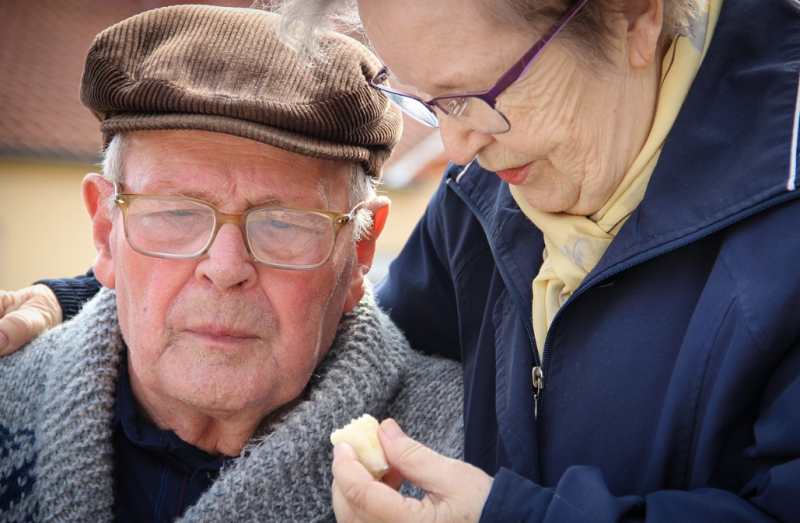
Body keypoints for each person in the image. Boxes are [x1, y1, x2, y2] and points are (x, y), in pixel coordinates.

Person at [2, 0, 800, 521]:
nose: (454, 151)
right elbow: (328, 310)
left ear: (633, 16)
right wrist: (79, 305)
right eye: (426, 102)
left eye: (478, 92)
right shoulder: (485, 196)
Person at [0, 5, 466, 522]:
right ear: (107, 233)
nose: (224, 268)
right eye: (177, 212)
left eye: (284, 223)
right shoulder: (7, 396)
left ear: (359, 251)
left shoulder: (465, 454)